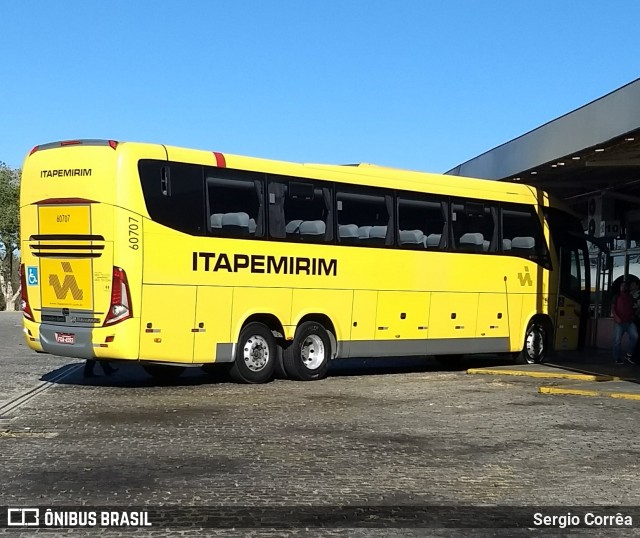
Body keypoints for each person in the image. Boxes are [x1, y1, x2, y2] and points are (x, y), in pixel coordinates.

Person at [611, 281, 638, 365]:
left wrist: (633, 315)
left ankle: (628, 354)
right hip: (619, 322)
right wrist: (616, 317)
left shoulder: (630, 297)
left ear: (628, 287)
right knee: (617, 341)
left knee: (635, 336)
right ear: (620, 287)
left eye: (625, 286)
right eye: (622, 286)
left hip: (629, 321)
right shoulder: (617, 296)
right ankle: (617, 358)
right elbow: (612, 308)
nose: (623, 287)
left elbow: (634, 307)